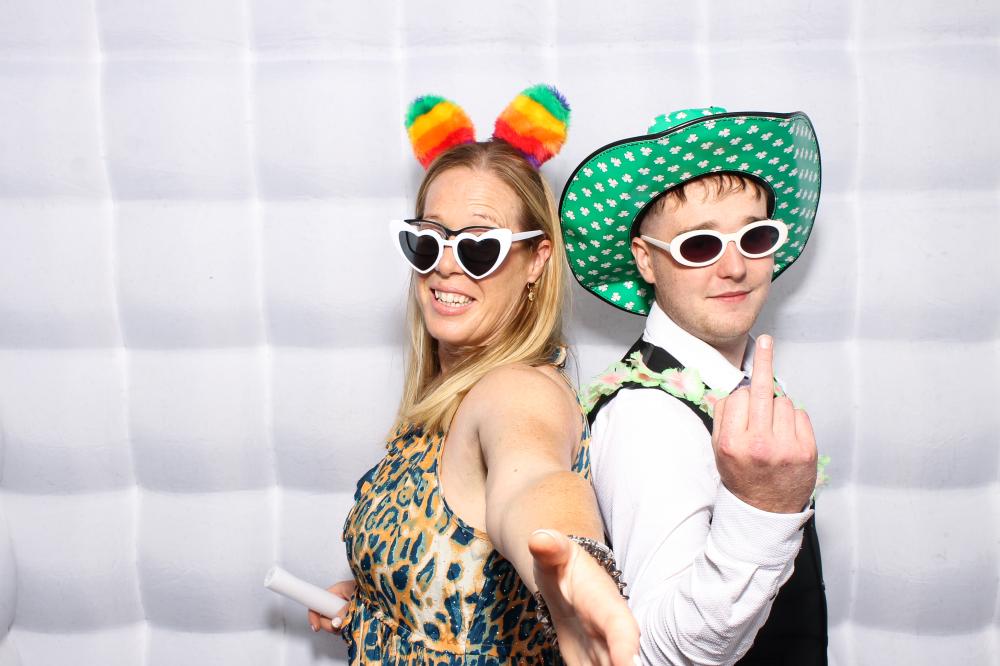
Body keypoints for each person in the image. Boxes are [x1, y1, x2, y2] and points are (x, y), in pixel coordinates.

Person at [308, 86, 639, 665]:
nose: (445, 266)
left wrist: (573, 567)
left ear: (537, 259)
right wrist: (380, 602)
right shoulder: (443, 399)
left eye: (480, 248)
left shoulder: (519, 390)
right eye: (428, 241)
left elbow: (532, 479)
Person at [561, 107, 828, 665]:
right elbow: (656, 654)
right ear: (646, 261)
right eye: (699, 245)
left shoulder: (741, 382)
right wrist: (764, 510)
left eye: (754, 237)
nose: (735, 268)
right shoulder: (648, 416)